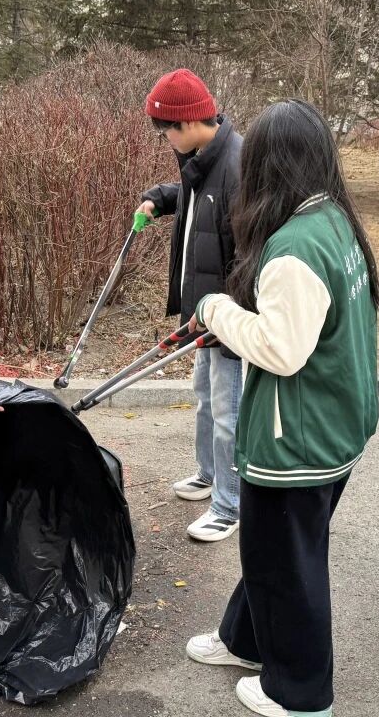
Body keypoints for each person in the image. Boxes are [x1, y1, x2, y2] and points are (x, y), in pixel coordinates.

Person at [184, 99, 379, 717]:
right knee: (277, 550)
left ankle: (299, 693)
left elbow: (281, 349)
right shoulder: (333, 218)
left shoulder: (294, 248)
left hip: (298, 438)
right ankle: (245, 640)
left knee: (288, 563)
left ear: (269, 166)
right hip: (334, 422)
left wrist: (216, 309)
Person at [137, 68, 245, 542]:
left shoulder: (237, 167)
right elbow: (195, 200)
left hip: (227, 319)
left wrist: (231, 317)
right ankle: (209, 474)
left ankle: (229, 502)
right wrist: (160, 199)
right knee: (205, 397)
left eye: (166, 131)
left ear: (187, 123)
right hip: (203, 312)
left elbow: (247, 254)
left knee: (228, 412)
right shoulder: (203, 159)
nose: (166, 140)